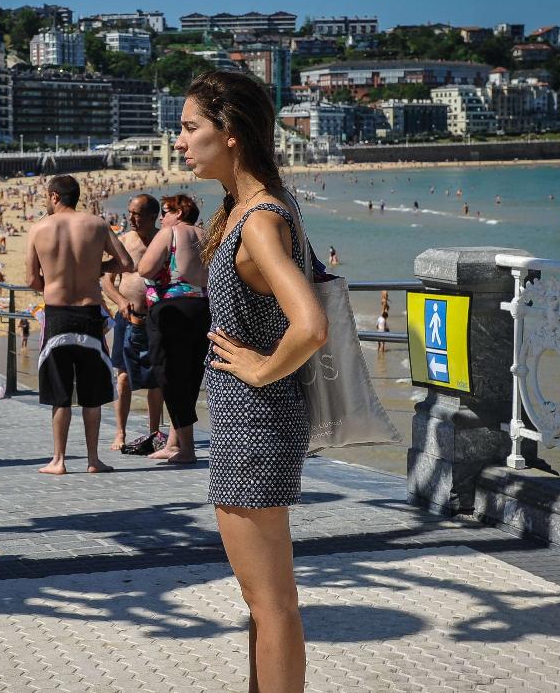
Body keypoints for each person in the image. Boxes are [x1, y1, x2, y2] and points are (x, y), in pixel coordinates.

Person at [181, 70, 328, 692]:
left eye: (190, 127)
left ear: (231, 132)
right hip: (250, 425)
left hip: (255, 428)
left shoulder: (260, 220)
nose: (179, 141)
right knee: (263, 602)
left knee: (272, 603)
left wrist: (260, 367)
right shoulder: (251, 207)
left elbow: (310, 326)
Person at [25, 174, 134, 475]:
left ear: (54, 196)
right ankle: (93, 459)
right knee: (92, 393)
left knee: (60, 394)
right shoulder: (97, 224)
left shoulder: (39, 229)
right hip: (89, 314)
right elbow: (126, 263)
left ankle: (58, 460)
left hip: (57, 315)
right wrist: (95, 267)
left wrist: (52, 282)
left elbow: (31, 279)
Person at [137, 194, 208, 464]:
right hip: (204, 308)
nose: (161, 217)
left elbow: (145, 268)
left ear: (179, 213)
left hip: (172, 310)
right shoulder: (206, 235)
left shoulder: (171, 233)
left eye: (166, 211)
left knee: (169, 375)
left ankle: (187, 449)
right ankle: (174, 443)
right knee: (190, 376)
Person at [100, 193, 165, 451]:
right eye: (130, 213)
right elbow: (106, 280)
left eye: (137, 214)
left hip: (156, 319)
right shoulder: (124, 241)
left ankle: (154, 432)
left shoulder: (163, 240)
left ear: (153, 216)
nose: (131, 218)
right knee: (124, 377)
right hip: (127, 318)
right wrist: (119, 300)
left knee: (156, 379)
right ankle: (120, 433)